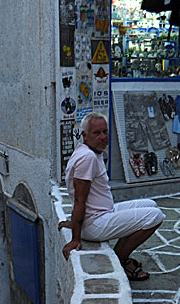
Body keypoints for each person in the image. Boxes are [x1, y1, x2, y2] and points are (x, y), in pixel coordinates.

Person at [60, 112, 164, 281]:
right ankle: (121, 260)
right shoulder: (87, 158)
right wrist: (75, 238)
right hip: (95, 224)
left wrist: (73, 223)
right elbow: (79, 199)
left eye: (105, 132)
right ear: (85, 136)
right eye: (96, 133)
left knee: (151, 204)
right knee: (155, 216)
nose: (103, 137)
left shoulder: (87, 151)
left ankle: (120, 257)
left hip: (102, 214)